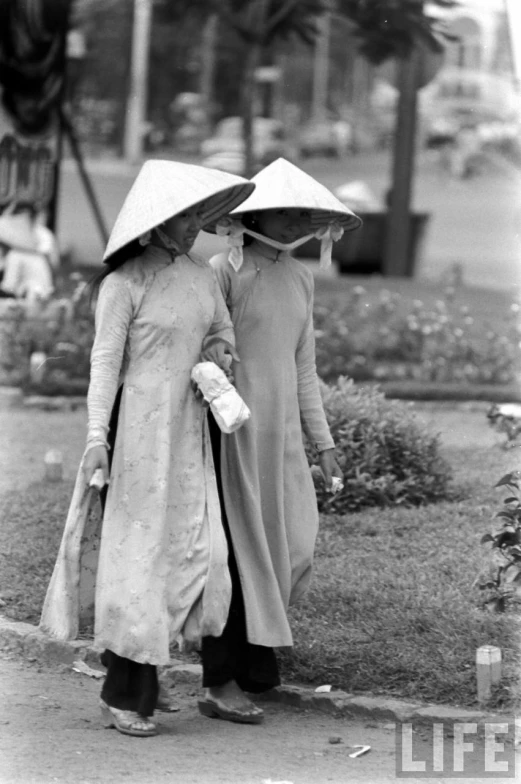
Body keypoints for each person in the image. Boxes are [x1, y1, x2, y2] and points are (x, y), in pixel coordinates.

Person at [39, 160, 255, 737]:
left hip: (189, 432)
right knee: (136, 559)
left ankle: (148, 679)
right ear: (158, 222)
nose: (195, 228)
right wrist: (95, 440)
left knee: (195, 552)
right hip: (136, 433)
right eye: (186, 218)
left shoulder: (201, 279)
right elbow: (104, 366)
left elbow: (221, 332)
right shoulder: (123, 284)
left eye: (199, 218)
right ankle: (122, 692)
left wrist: (220, 354)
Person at [198, 158, 362, 723]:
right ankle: (223, 679)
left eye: (303, 214)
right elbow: (208, 354)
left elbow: (304, 368)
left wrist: (324, 443)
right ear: (258, 213)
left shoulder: (301, 277)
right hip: (235, 434)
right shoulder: (224, 270)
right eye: (286, 212)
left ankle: (256, 663)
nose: (296, 222)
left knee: (290, 545)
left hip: (283, 437)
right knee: (242, 550)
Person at [0, 209, 54, 304]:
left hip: (31, 296)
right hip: (41, 292)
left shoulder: (15, 255)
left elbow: (8, 286)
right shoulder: (34, 255)